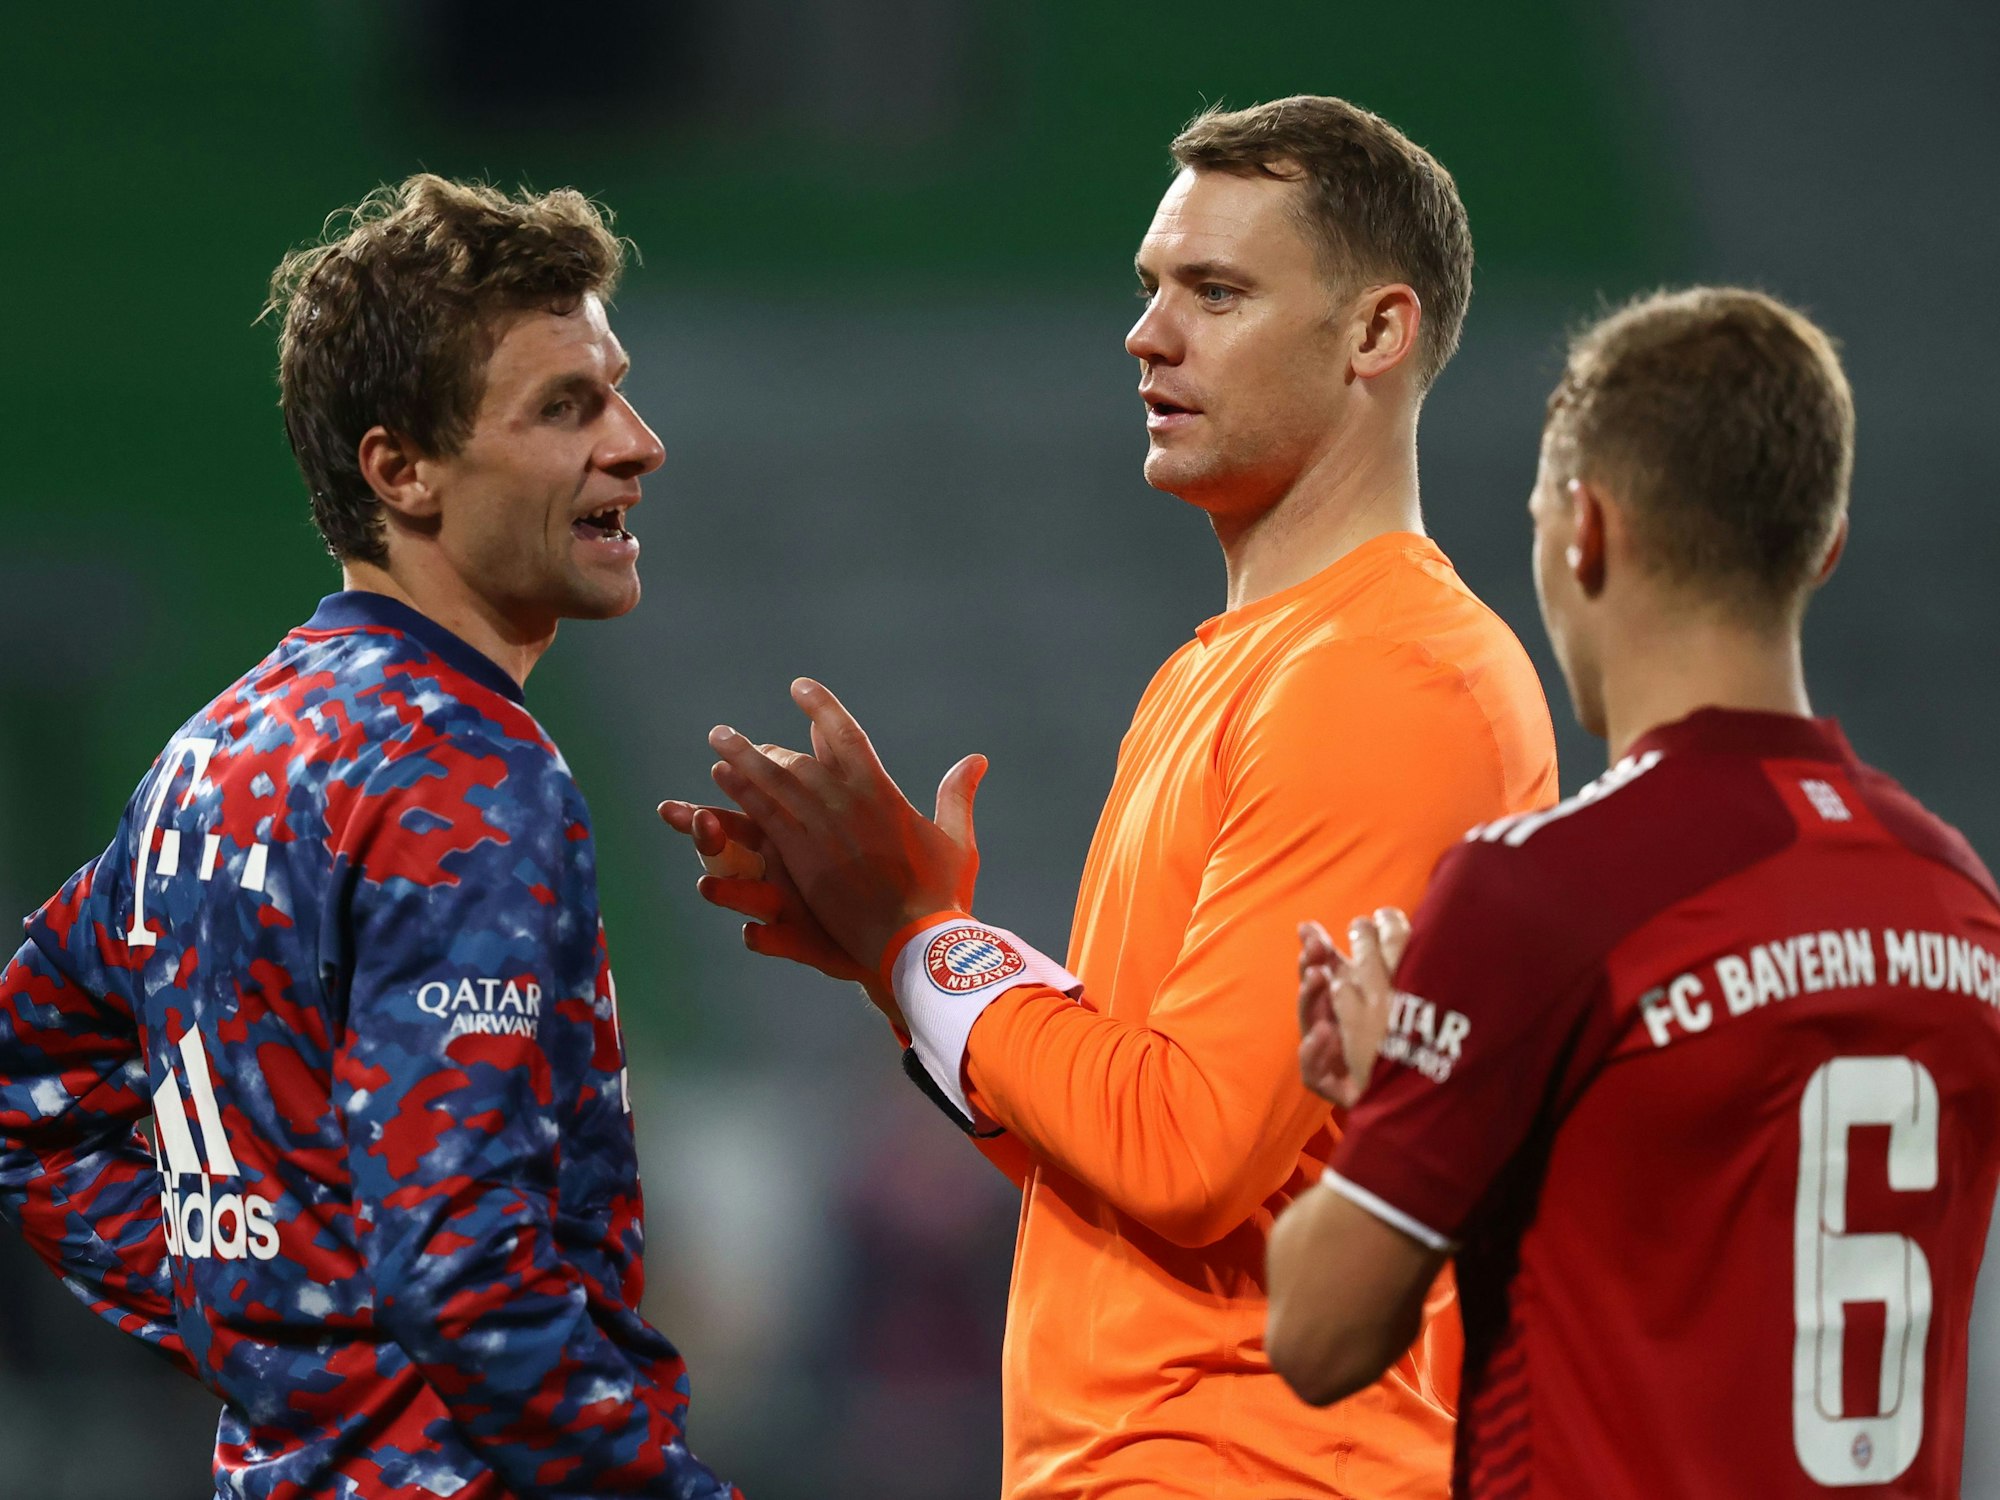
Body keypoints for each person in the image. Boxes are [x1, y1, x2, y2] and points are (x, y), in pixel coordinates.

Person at [663, 97, 1557, 1497]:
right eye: (1152, 289)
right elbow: (1129, 1167)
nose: (1148, 335)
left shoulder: (1385, 676)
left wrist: (925, 948)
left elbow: (1182, 1148)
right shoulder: (1232, 668)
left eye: (1216, 292)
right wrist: (906, 969)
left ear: (1377, 333)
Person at [0, 175, 741, 1498]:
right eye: (566, 407)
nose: (638, 442)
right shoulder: (465, 774)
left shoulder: (215, 753)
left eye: (616, 388)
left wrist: (282, 1335)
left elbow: (27, 1095)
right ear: (401, 469)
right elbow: (467, 1278)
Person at [1265, 287, 2000, 1498]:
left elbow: (1317, 1331)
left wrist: (1391, 1100)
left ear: (1581, 532)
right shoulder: (1955, 903)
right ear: (1820, 544)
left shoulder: (1542, 890)